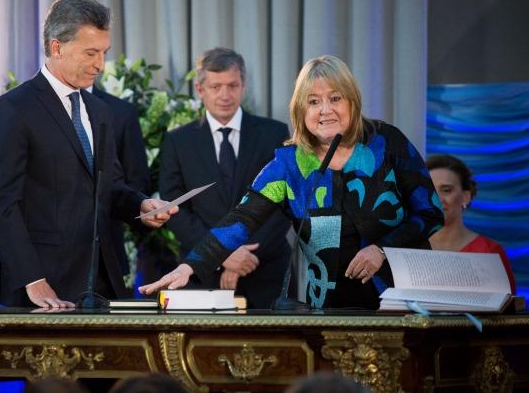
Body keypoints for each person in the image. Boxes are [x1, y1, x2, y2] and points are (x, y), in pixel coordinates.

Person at [140, 55, 444, 309]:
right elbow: (242, 219)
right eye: (313, 101)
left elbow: (430, 213)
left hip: (402, 301)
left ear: (352, 101)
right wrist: (189, 266)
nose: (325, 110)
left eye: (335, 98)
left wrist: (381, 249)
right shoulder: (288, 164)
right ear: (301, 110)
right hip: (328, 308)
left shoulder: (387, 142)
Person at [0, 0, 177, 308]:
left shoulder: (99, 111)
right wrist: (32, 279)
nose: (100, 64)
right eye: (90, 53)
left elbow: (108, 186)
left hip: (104, 283)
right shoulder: (13, 110)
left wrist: (141, 205)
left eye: (104, 53)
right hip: (43, 289)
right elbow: (0, 205)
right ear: (57, 47)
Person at [159, 47, 291, 308]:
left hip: (265, 271)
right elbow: (174, 207)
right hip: (202, 275)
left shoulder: (274, 134)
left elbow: (285, 203)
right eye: (216, 87)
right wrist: (221, 254)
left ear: (243, 85)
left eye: (232, 85)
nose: (225, 95)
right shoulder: (177, 141)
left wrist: (243, 256)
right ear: (200, 89)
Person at [426, 154, 516, 292]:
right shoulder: (405, 249)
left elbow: (508, 304)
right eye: (430, 189)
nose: (437, 199)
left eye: (446, 190)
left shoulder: (489, 251)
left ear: (466, 197)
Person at [92, 85, 151, 277]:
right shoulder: (30, 105)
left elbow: (136, 181)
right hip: (46, 261)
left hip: (107, 256)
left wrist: (141, 207)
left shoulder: (120, 111)